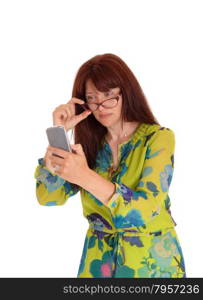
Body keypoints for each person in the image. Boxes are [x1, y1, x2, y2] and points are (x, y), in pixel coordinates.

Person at [34, 53, 186, 278]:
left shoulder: (157, 138)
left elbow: (145, 211)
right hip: (98, 264)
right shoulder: (89, 147)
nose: (101, 106)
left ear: (126, 93)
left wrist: (84, 176)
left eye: (109, 95)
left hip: (151, 264)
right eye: (92, 98)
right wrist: (60, 134)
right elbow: (48, 196)